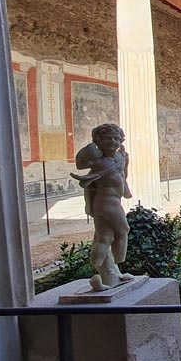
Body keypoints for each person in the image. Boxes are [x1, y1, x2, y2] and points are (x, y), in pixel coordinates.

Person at [70, 123, 134, 292]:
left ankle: (109, 274)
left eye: (116, 138)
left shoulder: (119, 158)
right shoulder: (100, 163)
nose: (112, 141)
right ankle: (113, 263)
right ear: (99, 141)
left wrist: (126, 163)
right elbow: (85, 176)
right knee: (123, 230)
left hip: (113, 201)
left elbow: (122, 175)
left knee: (105, 237)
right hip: (106, 203)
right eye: (108, 139)